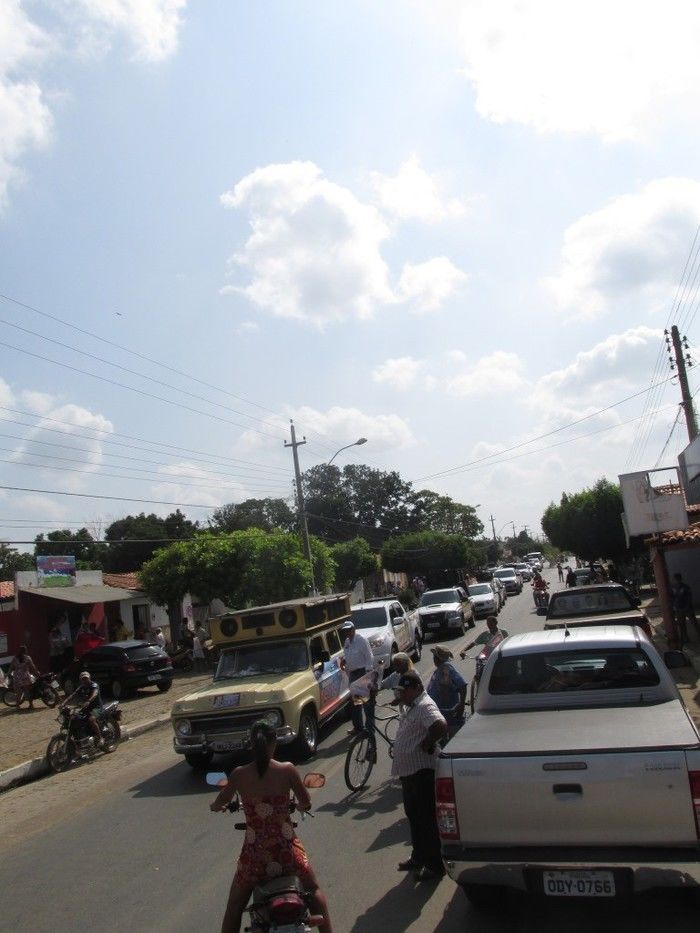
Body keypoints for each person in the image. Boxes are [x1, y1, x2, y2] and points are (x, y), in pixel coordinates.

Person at [210, 720, 332, 933]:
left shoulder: (239, 774)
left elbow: (219, 802)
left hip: (255, 855)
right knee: (313, 891)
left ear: (251, 744)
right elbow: (306, 801)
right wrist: (300, 805)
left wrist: (215, 806)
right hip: (286, 851)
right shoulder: (287, 770)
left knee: (235, 906)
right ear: (274, 743)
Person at [391, 670, 448, 880]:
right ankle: (419, 857)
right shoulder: (412, 705)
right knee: (414, 816)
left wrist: (427, 742)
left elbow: (440, 725)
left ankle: (435, 865)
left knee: (427, 820)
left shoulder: (425, 706)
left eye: (405, 691)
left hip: (422, 773)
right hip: (409, 773)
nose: (402, 695)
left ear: (416, 688)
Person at [339, 619, 375, 734]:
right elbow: (347, 654)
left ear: (353, 629)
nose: (347, 632)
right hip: (353, 674)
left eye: (349, 630)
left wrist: (368, 675)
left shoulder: (361, 640)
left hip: (362, 672)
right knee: (355, 702)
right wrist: (344, 660)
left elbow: (369, 656)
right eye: (345, 630)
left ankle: (369, 728)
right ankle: (358, 727)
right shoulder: (347, 642)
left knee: (366, 702)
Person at [426, 646, 467, 737]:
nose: (433, 659)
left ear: (437, 658)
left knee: (453, 741)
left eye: (434, 657)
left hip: (449, 713)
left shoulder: (447, 668)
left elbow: (462, 685)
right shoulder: (439, 670)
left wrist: (461, 704)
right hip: (440, 713)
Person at [62, 670, 103, 746]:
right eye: (83, 679)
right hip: (86, 708)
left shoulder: (94, 685)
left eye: (86, 678)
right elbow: (73, 695)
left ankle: (100, 738)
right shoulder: (81, 687)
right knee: (74, 718)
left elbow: (95, 694)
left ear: (89, 678)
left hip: (97, 708)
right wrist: (64, 702)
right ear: (81, 680)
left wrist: (88, 701)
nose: (85, 680)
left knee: (91, 720)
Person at [670, 572, 700, 646]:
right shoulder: (673, 587)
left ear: (680, 579)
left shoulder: (685, 587)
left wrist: (687, 606)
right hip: (678, 609)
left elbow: (689, 597)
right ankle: (685, 638)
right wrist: (674, 606)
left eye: (678, 579)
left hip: (687, 608)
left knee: (694, 622)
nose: (677, 580)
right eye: (676, 579)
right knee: (681, 624)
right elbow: (672, 597)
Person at [11, 645, 39, 711]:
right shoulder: (28, 657)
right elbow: (32, 666)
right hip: (25, 676)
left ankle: (18, 706)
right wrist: (37, 672)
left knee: (19, 692)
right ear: (25, 651)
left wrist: (8, 674)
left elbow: (11, 667)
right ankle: (31, 705)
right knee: (27, 691)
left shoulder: (15, 658)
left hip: (18, 677)